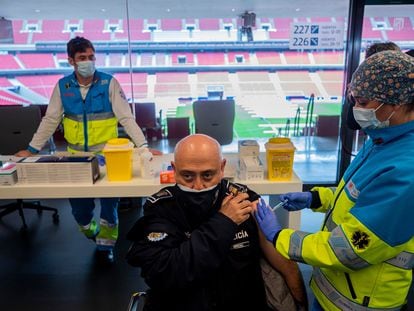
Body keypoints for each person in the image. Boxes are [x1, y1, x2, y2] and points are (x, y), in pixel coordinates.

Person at [255, 50, 414, 310]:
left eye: (363, 101)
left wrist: (278, 236)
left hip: (359, 302)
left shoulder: (406, 169)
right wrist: (315, 197)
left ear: (394, 103)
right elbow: (355, 194)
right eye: (354, 100)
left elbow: (348, 249)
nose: (356, 109)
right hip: (334, 289)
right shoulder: (381, 140)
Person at [16, 36, 160, 265]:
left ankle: (106, 246)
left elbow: (126, 117)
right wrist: (32, 149)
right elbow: (51, 120)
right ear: (71, 61)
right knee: (80, 211)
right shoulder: (63, 86)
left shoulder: (109, 83)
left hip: (109, 156)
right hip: (76, 158)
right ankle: (92, 232)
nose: (88, 61)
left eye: (91, 57)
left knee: (109, 206)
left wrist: (143, 146)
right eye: (82, 58)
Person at [126, 134, 308, 311]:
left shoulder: (244, 200)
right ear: (174, 169)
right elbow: (165, 272)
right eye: (187, 176)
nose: (198, 186)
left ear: (222, 168)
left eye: (207, 175)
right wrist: (224, 221)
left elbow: (286, 266)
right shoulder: (161, 207)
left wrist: (300, 304)